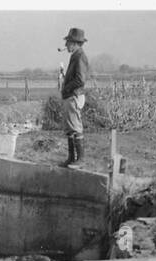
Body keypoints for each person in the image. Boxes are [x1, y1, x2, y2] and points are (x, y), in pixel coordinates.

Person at [60, 27, 90, 169]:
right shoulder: (76, 56)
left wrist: (66, 88)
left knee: (75, 128)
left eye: (68, 42)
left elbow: (80, 80)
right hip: (71, 96)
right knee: (70, 128)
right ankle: (72, 158)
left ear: (75, 43)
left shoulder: (80, 57)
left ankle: (81, 159)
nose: (66, 45)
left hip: (74, 96)